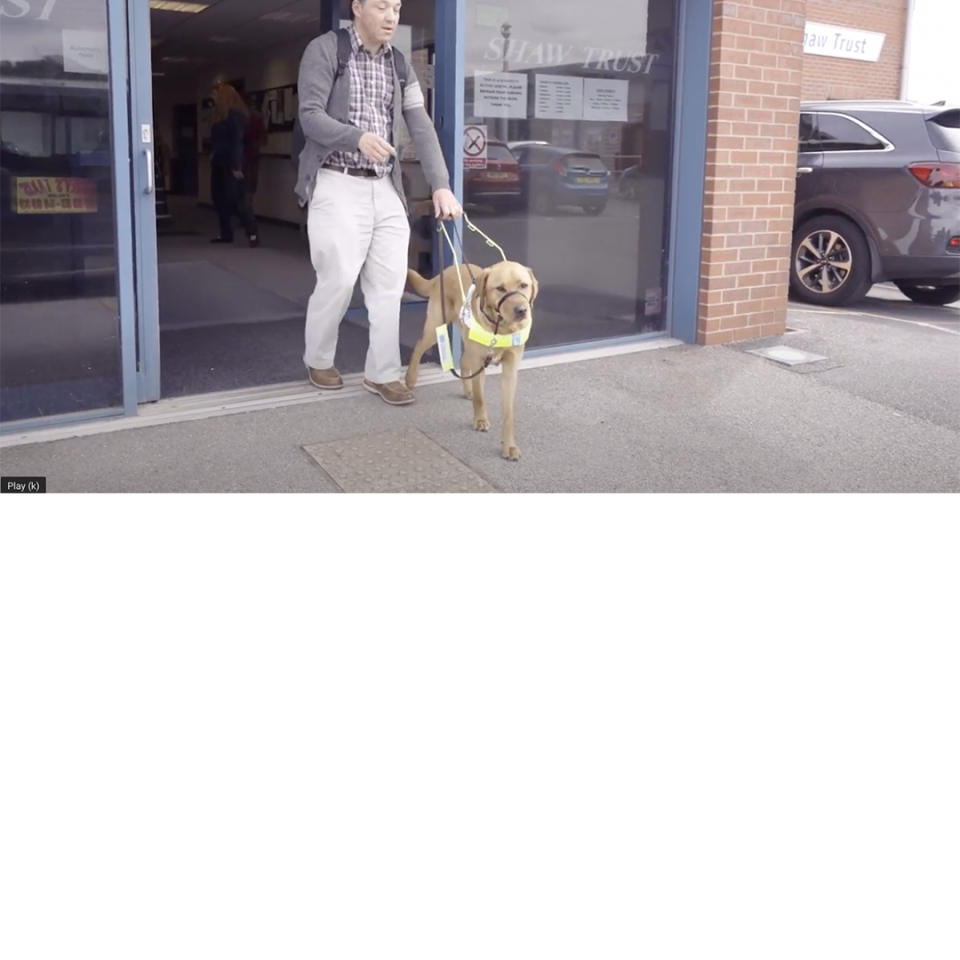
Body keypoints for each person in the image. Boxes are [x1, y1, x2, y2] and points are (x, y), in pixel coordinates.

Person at [295, 0, 461, 406]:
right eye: (382, 6)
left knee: (389, 286)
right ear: (357, 8)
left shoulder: (399, 64)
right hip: (337, 181)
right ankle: (318, 359)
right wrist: (356, 137)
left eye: (397, 8)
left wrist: (441, 184)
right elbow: (310, 116)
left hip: (385, 187)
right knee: (337, 279)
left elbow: (419, 125)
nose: (392, 17)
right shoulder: (325, 50)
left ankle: (382, 373)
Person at [209, 82, 259, 247]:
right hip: (219, 162)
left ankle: (251, 232)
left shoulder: (236, 115)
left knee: (236, 199)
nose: (213, 98)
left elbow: (237, 141)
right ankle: (226, 233)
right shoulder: (218, 115)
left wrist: (237, 167)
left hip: (232, 162)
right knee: (219, 198)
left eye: (215, 95)